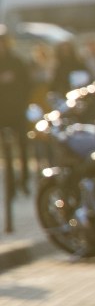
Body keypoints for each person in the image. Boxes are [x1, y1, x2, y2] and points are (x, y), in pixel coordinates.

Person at [0, 27, 33, 194]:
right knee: (6, 150)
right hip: (2, 113)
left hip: (17, 111)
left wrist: (22, 102)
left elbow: (27, 84)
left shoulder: (16, 62)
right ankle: (10, 183)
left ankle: (24, 180)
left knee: (22, 145)